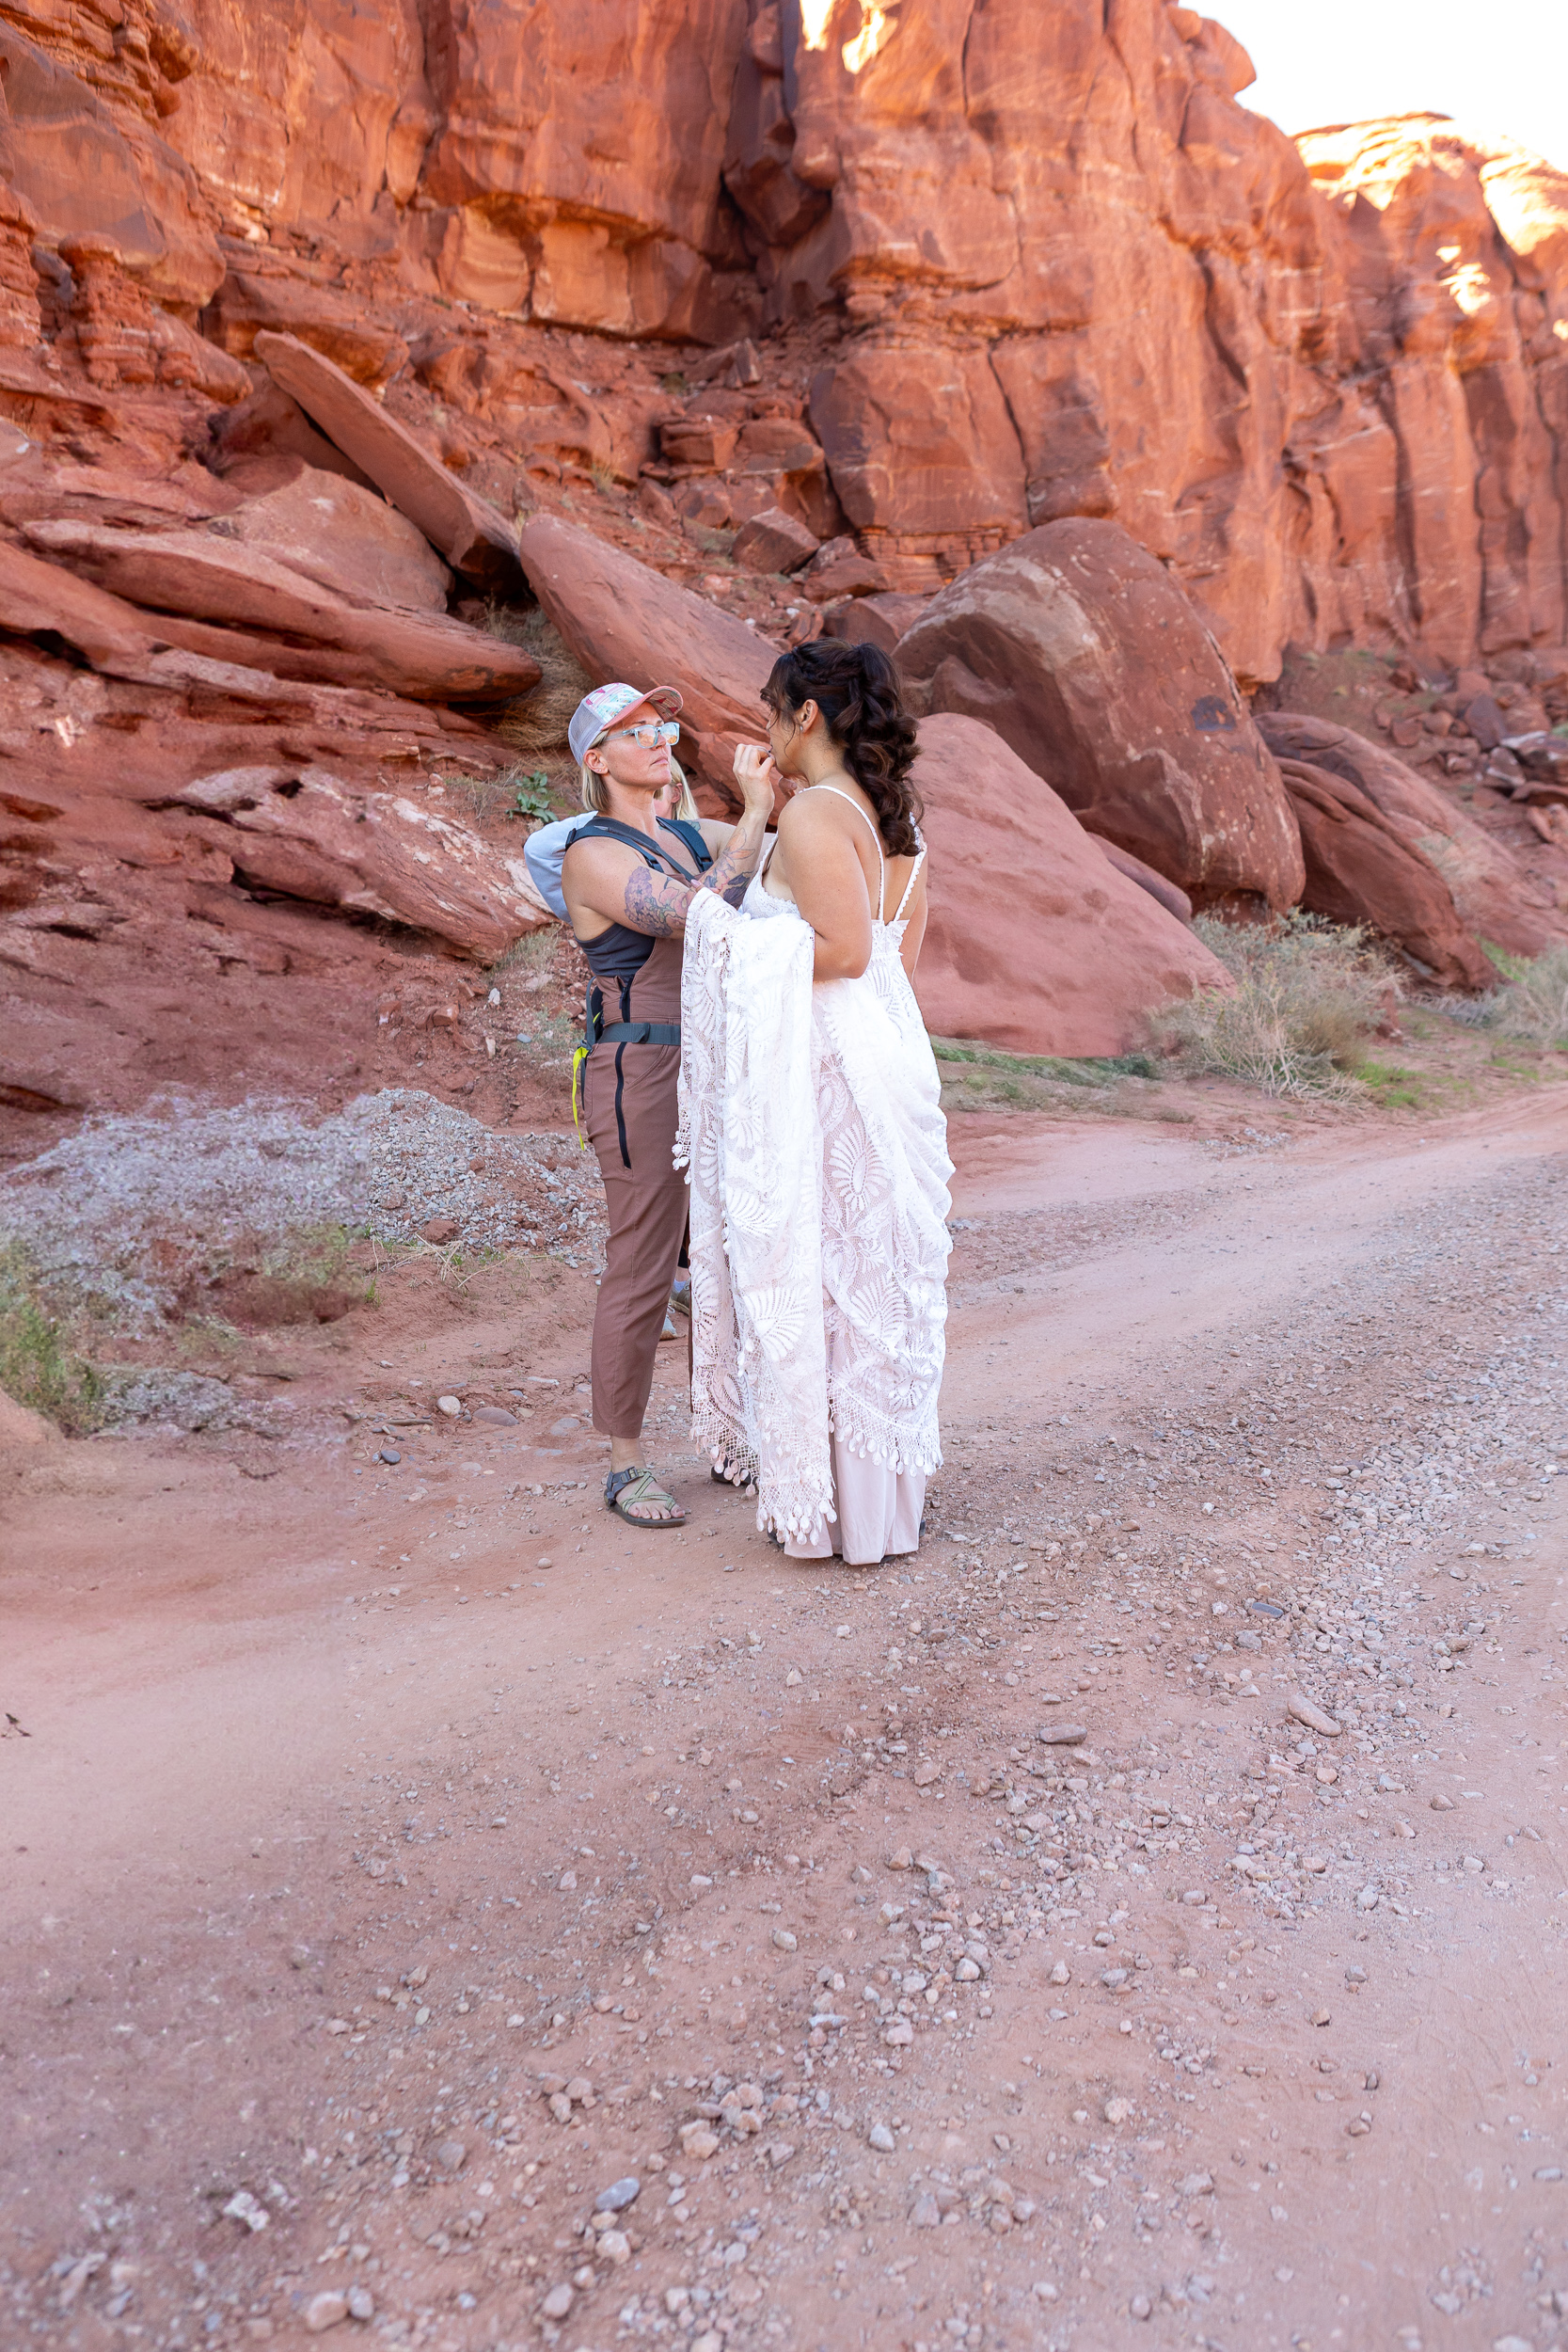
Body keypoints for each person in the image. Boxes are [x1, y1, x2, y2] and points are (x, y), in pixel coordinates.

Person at [677, 640, 952, 1565]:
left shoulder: (812, 815)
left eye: (769, 710)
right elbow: (899, 963)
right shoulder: (889, 821)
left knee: (824, 1273)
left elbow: (841, 952)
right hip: (883, 1054)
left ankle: (831, 1511)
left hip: (827, 1071)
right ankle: (875, 1510)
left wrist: (720, 931)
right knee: (870, 1275)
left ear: (805, 715)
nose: (764, 729)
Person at [558, 682, 774, 1530]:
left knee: (726, 1255)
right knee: (642, 1263)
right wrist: (754, 810)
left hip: (715, 1067)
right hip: (640, 1071)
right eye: (634, 731)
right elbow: (698, 914)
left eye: (663, 727)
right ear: (597, 758)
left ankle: (724, 1433)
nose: (658, 740)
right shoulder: (593, 853)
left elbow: (785, 854)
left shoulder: (687, 835)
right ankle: (624, 1465)